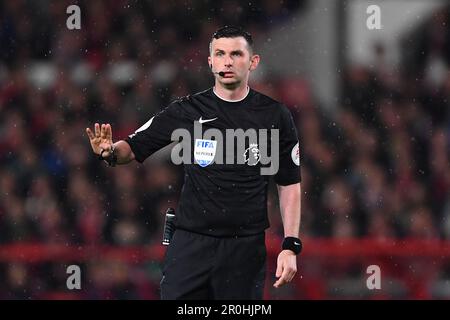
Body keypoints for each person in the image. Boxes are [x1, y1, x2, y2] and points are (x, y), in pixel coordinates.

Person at [86, 26, 302, 300]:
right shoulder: (186, 110)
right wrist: (109, 152)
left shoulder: (275, 116)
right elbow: (133, 146)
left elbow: (289, 184)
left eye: (236, 54)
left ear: (253, 61)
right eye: (220, 54)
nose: (227, 61)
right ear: (210, 61)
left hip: (244, 248)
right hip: (191, 244)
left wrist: (290, 245)